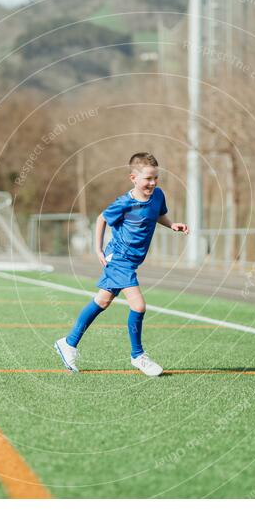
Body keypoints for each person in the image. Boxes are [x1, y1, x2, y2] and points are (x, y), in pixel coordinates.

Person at [54, 152, 189, 376]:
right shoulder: (124, 203)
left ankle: (68, 343)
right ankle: (138, 356)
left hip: (130, 262)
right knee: (138, 306)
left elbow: (157, 214)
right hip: (119, 260)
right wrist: (97, 249)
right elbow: (102, 219)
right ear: (133, 178)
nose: (153, 183)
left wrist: (172, 224)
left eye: (156, 178)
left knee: (102, 301)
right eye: (148, 179)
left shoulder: (158, 195)